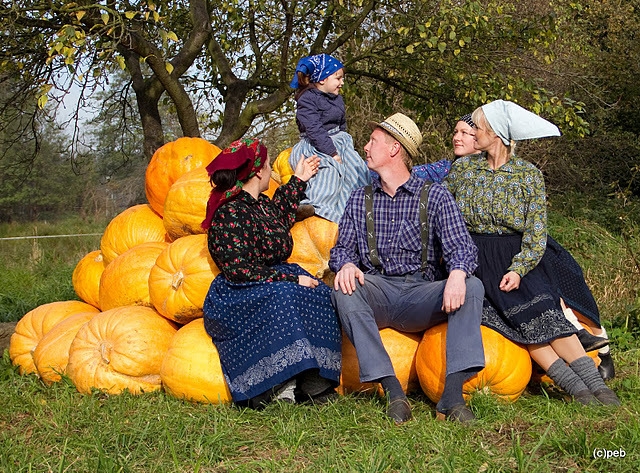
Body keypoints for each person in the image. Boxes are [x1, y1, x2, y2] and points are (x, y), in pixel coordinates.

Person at [445, 100, 620, 405]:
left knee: (546, 317)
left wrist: (518, 269)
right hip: (475, 258)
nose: (473, 135)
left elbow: (536, 231)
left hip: (516, 258)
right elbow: (440, 209)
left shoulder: (528, 175)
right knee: (518, 327)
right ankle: (578, 392)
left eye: (479, 129)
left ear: (495, 133)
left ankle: (599, 388)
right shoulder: (463, 170)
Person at [329, 112, 486, 424]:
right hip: (379, 290)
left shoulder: (435, 195)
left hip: (422, 295)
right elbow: (342, 248)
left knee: (472, 286)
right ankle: (392, 392)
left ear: (394, 149)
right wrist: (345, 264)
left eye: (372, 141)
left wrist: (457, 274)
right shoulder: (360, 198)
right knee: (343, 290)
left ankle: (452, 399)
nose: (365, 147)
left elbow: (463, 247)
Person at [201, 138, 342, 409]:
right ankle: (277, 387)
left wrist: (298, 180)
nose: (269, 169)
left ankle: (314, 380)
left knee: (322, 293)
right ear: (257, 172)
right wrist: (289, 278)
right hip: (240, 290)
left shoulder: (260, 205)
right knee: (285, 296)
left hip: (271, 279)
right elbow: (239, 269)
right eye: (267, 164)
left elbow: (279, 216)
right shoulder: (228, 213)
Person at [288, 53, 370, 223]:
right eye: (337, 78)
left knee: (357, 169)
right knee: (329, 171)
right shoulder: (307, 99)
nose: (342, 82)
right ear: (322, 79)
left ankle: (361, 206)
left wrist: (345, 146)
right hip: (316, 144)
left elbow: (342, 124)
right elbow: (314, 129)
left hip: (339, 142)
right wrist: (332, 153)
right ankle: (313, 205)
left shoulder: (337, 98)